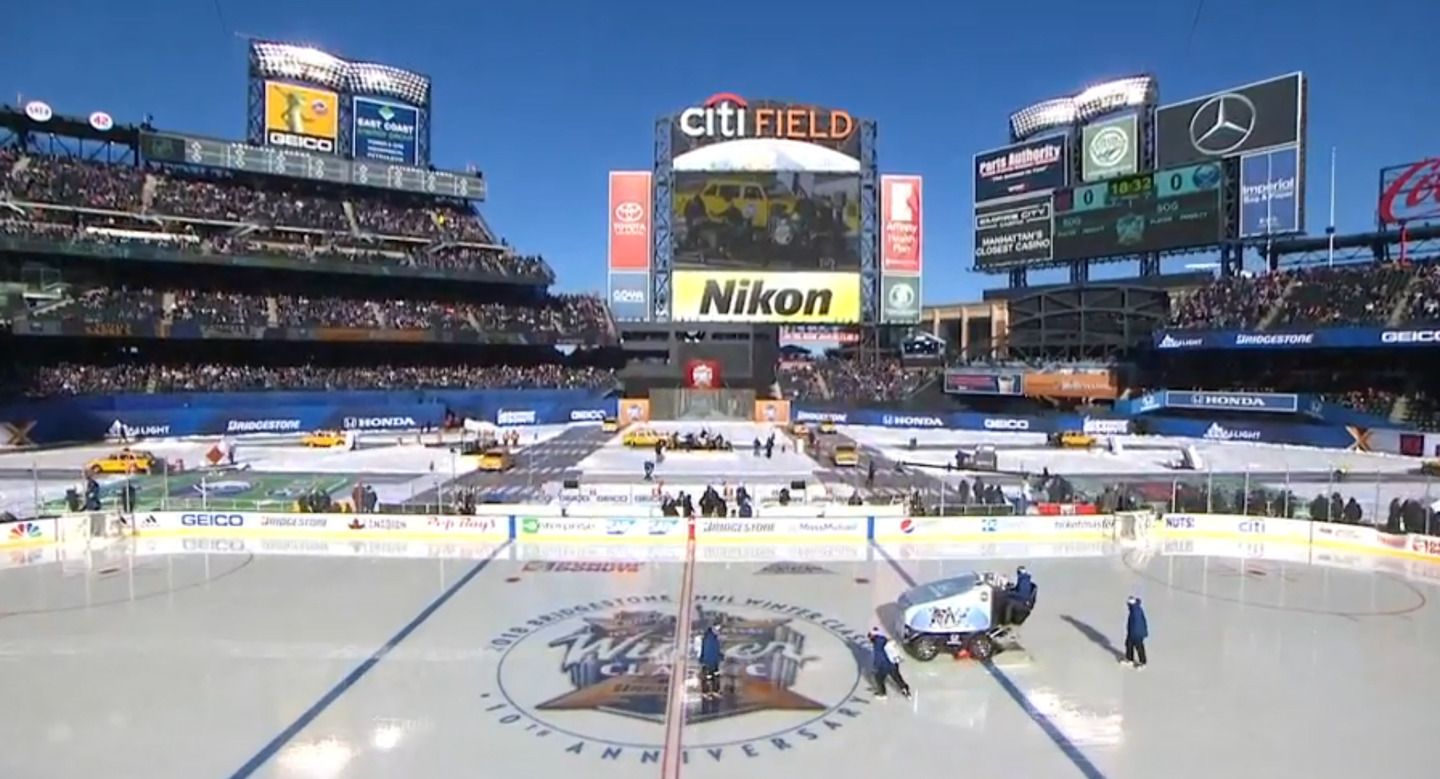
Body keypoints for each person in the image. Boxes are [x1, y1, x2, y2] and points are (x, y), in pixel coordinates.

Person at [868, 628, 911, 699]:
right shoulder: (885, 640)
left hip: (884, 666)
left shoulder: (877, 645)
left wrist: (875, 667)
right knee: (897, 677)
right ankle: (905, 689)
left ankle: (882, 693)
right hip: (893, 663)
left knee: (878, 678)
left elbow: (879, 658)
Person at [698, 624, 723, 699]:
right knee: (708, 677)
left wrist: (720, 656)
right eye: (717, 630)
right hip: (708, 662)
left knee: (715, 676)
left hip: (714, 661)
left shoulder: (715, 639)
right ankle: (706, 692)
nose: (718, 632)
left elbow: (716, 650)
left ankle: (715, 691)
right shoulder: (708, 638)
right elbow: (707, 651)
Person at [1124, 596, 1148, 669]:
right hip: (1134, 632)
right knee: (1129, 644)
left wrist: (1133, 633)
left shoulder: (1135, 611)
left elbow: (1137, 624)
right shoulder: (1135, 609)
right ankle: (1129, 659)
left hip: (1136, 633)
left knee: (1139, 647)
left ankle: (1142, 662)